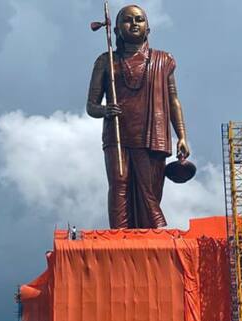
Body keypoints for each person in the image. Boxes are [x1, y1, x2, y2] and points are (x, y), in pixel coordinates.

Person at [86, 3, 191, 229]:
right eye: (128, 20)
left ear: (148, 29)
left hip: (153, 135)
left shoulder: (164, 61)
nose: (134, 24)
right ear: (116, 31)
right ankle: (120, 237)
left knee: (150, 190)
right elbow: (91, 106)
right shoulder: (106, 62)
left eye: (139, 19)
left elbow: (173, 100)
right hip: (118, 134)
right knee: (119, 184)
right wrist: (105, 110)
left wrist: (181, 135)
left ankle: (146, 236)